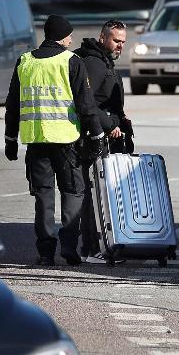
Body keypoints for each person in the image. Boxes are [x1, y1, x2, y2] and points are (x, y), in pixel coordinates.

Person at [4, 14, 104, 266]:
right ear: (62, 37)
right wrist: (97, 135)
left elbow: (12, 105)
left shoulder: (24, 62)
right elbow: (85, 104)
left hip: (35, 141)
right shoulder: (71, 61)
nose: (71, 39)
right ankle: (69, 246)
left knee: (43, 196)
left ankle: (46, 252)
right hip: (66, 140)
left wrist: (10, 139)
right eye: (69, 35)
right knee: (73, 191)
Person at [74, 20, 133, 263]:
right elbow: (84, 105)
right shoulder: (95, 65)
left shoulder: (102, 61)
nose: (120, 46)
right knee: (93, 196)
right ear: (102, 37)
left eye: (123, 42)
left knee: (100, 194)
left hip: (102, 136)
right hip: (92, 140)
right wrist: (110, 124)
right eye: (116, 41)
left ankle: (100, 245)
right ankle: (91, 248)